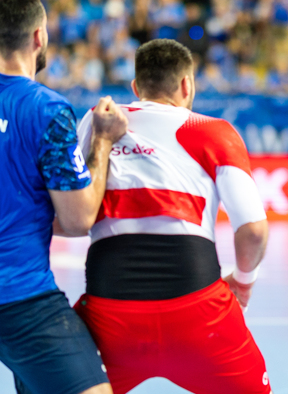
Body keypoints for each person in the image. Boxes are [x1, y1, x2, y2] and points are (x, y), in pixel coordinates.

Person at [72, 39, 271, 394]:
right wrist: (243, 280)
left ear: (135, 88)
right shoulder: (213, 130)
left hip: (110, 309)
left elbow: (70, 203)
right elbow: (253, 231)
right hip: (198, 309)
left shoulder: (97, 117)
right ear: (186, 85)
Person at [0, 1, 128, 394]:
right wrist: (103, 140)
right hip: (20, 297)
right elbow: (77, 219)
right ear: (39, 37)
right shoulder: (45, 109)